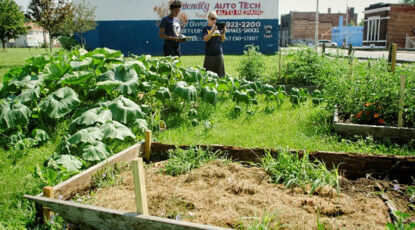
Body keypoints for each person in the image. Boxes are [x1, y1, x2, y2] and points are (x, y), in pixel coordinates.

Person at [202, 11, 226, 77]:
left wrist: (223, 33)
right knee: (207, 76)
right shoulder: (205, 28)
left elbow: (223, 40)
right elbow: (206, 39)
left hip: (219, 55)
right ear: (208, 18)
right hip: (209, 56)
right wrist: (212, 30)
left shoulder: (219, 28)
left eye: (216, 19)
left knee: (221, 75)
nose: (214, 20)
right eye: (213, 19)